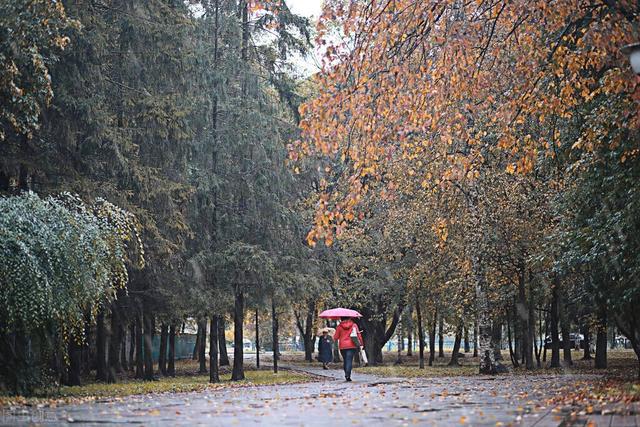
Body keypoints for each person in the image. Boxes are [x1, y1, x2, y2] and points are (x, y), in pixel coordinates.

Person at [333, 317, 364, 382]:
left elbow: (336, 337)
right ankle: (348, 375)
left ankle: (346, 374)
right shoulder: (354, 325)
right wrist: (361, 343)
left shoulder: (339, 326)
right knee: (349, 360)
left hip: (342, 346)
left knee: (345, 360)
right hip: (352, 345)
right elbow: (358, 335)